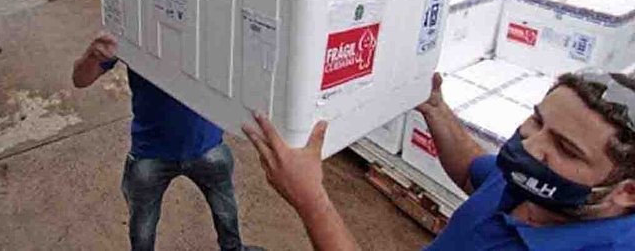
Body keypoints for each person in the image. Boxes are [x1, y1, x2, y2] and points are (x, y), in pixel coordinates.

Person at [243, 70, 635, 250]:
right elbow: (472, 172)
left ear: (626, 192)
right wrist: (434, 107)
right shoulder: (535, 185)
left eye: (565, 149)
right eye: (537, 120)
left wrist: (311, 200)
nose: (532, 146)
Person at [72, 32, 264, 251]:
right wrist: (92, 55)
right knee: (142, 229)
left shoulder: (216, 21)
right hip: (151, 153)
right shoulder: (132, 25)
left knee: (226, 212)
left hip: (208, 146)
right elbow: (80, 80)